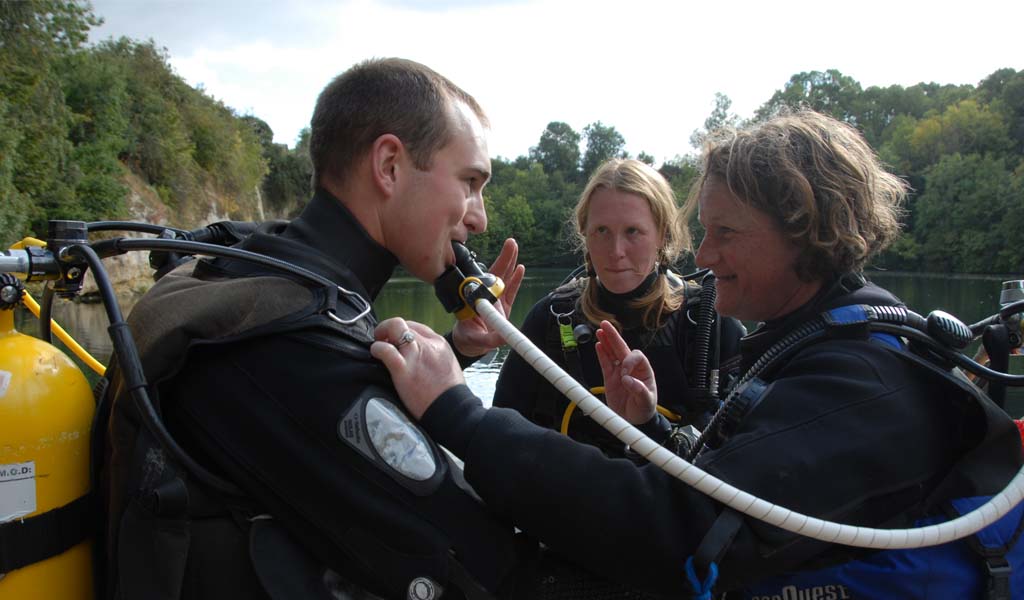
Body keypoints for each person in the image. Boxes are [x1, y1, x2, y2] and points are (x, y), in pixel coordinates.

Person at [374, 110, 1024, 598]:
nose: (705, 257)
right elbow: (746, 492)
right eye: (705, 232)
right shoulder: (830, 341)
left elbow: (678, 534)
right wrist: (651, 429)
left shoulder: (860, 384)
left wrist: (459, 411)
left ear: (804, 233)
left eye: (726, 234)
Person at [97, 57, 529, 600]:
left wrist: (456, 350)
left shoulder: (252, 268)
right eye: (470, 182)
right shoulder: (283, 339)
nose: (479, 216)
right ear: (390, 166)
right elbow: (480, 560)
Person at [492, 158, 744, 458]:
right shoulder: (549, 321)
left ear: (662, 235)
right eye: (601, 231)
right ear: (584, 233)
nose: (616, 252)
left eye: (633, 232)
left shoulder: (707, 324)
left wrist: (651, 424)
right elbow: (500, 438)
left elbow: (740, 464)